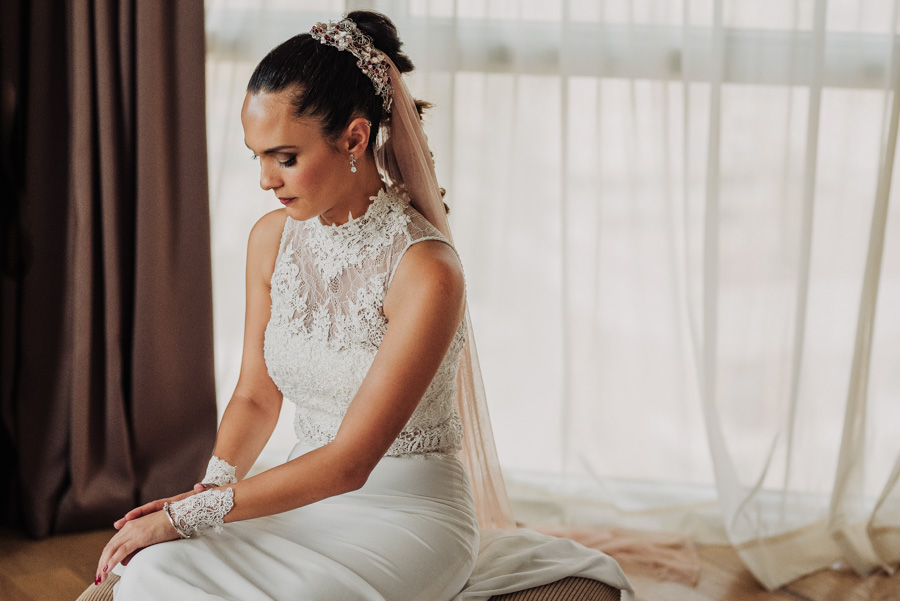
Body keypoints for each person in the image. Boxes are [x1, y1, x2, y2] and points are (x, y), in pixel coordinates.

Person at [87, 11, 633, 601]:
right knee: (151, 574)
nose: (266, 180)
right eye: (257, 157)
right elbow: (254, 395)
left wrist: (192, 516)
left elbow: (350, 463)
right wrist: (209, 491)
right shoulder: (270, 239)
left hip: (406, 515)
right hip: (294, 498)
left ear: (353, 137)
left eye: (285, 157)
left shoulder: (426, 270)